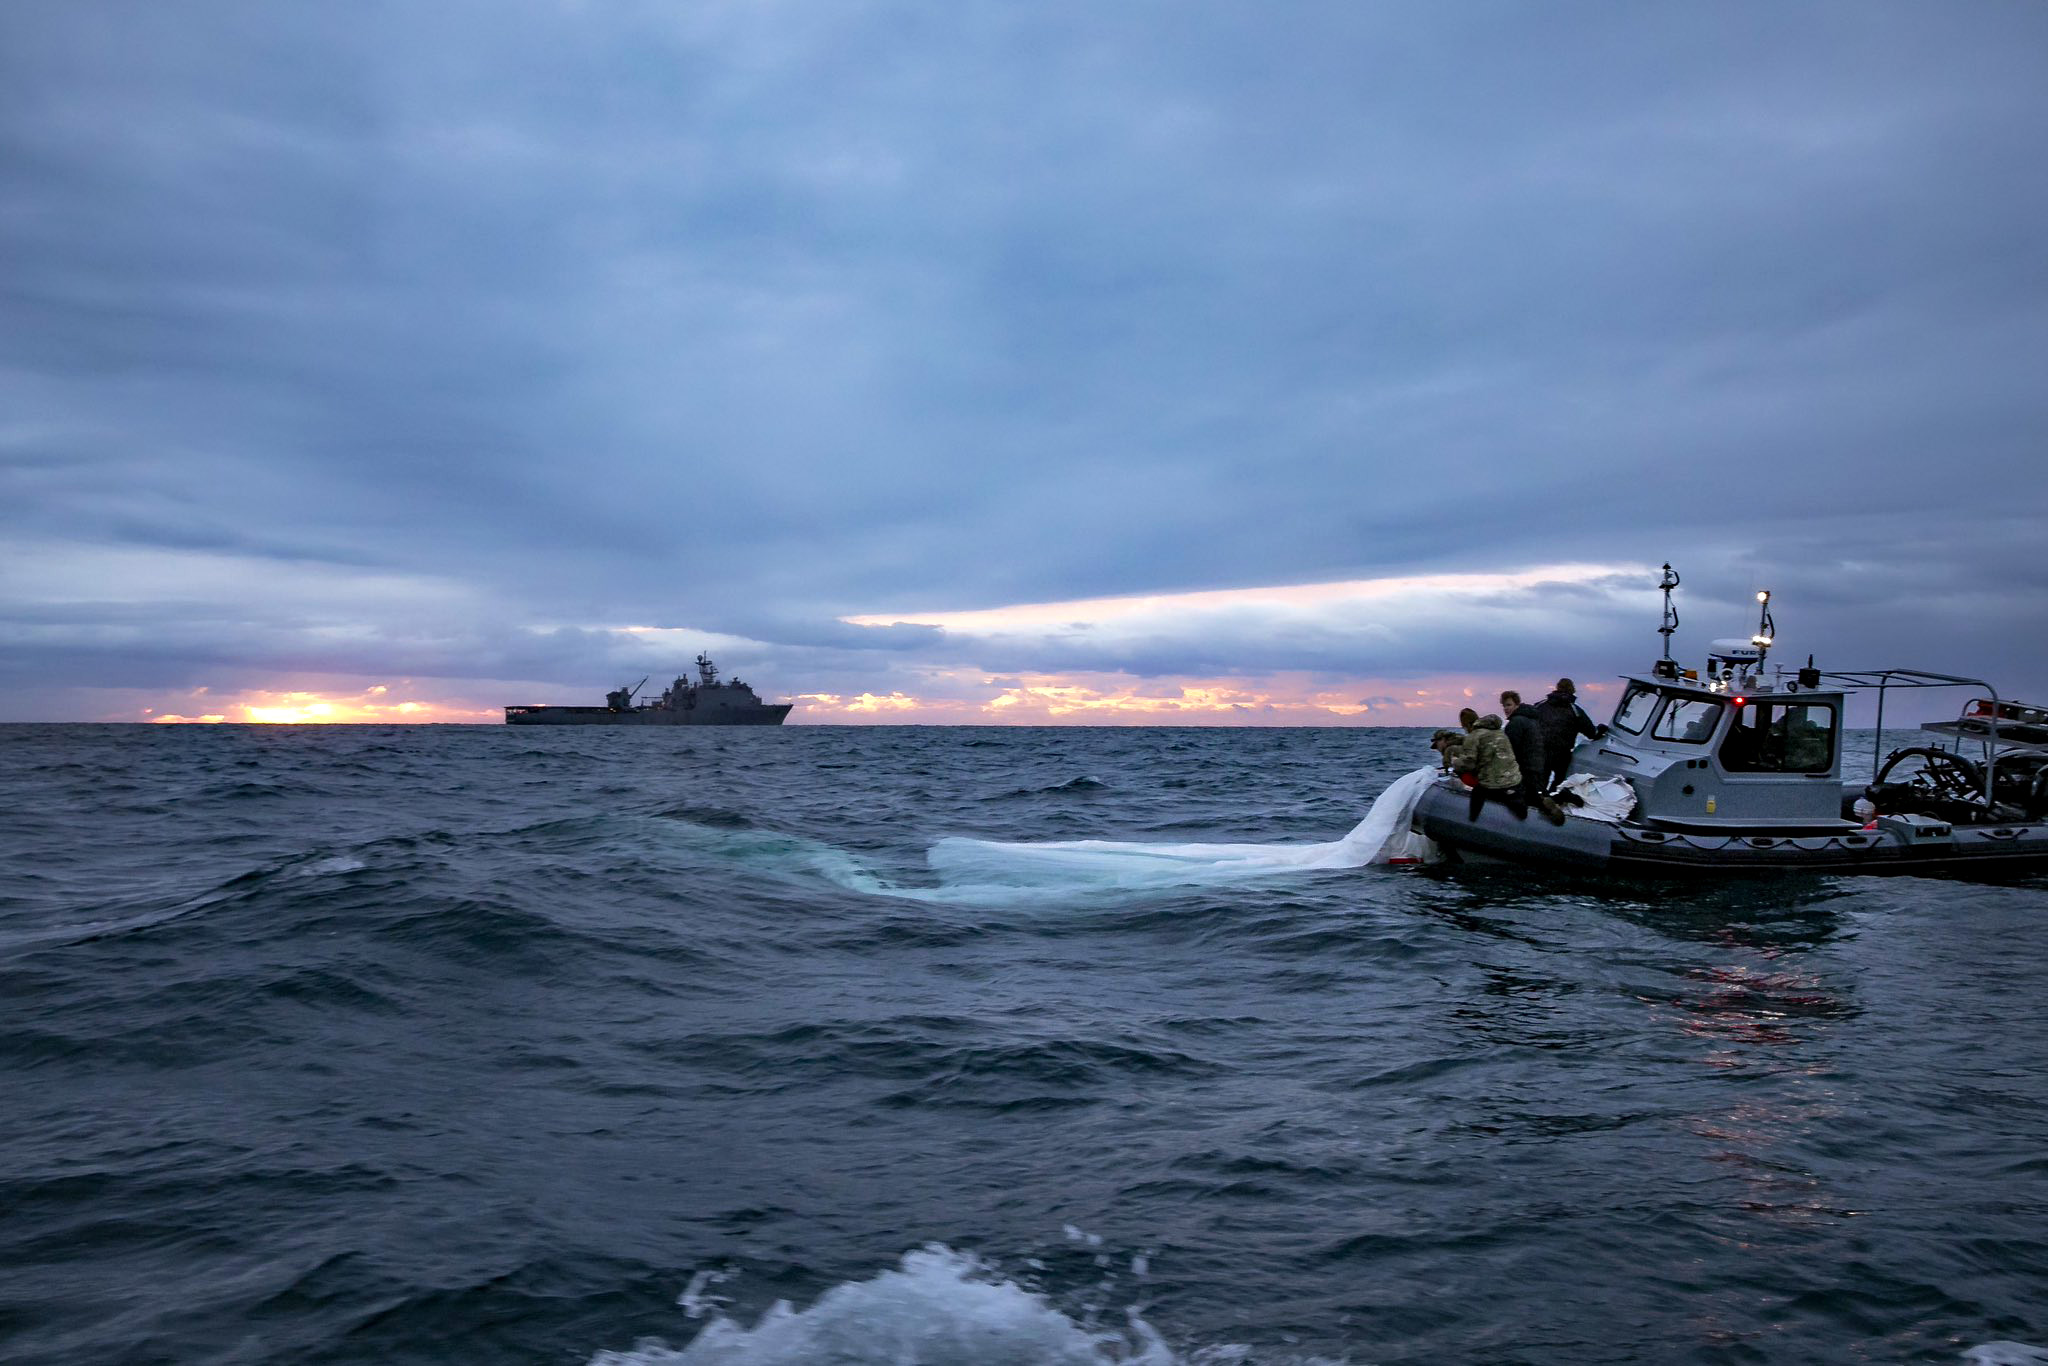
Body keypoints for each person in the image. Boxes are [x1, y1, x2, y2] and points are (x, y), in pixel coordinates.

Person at [1501, 691, 1567, 825]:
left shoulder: (1516, 723)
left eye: (1509, 705)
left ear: (1517, 704)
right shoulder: (1532, 721)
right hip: (1535, 770)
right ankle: (1552, 799)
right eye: (1504, 705)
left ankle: (1527, 813)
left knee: (1515, 797)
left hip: (1523, 772)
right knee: (1533, 794)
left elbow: (1508, 751)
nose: (1506, 708)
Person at [1532, 677, 1604, 791]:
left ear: (1557, 688)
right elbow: (1591, 733)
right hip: (1562, 753)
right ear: (1572, 690)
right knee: (1560, 782)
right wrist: (1601, 730)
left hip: (1540, 750)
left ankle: (1537, 801)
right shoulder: (1575, 711)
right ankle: (1553, 799)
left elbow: (1529, 722)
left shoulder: (1540, 706)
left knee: (1540, 781)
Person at [1454, 707, 1527, 820]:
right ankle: (1516, 805)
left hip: (1494, 784)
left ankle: (1472, 821)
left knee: (1477, 793)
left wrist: (1455, 762)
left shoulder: (1473, 736)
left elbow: (1468, 764)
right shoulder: (1499, 732)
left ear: (1467, 725)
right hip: (1514, 780)